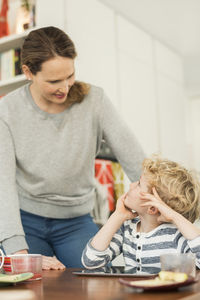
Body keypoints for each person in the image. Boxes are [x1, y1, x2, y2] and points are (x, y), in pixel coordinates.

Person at [0, 26, 144, 269]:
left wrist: (162, 208)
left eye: (70, 76)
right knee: (31, 287)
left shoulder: (94, 100)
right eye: (54, 81)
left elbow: (136, 160)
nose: (65, 87)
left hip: (76, 221)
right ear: (28, 72)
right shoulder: (7, 110)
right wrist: (18, 252)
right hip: (26, 222)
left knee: (95, 281)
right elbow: (2, 182)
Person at [82, 156, 200, 274]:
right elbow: (91, 262)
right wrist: (117, 216)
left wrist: (174, 216)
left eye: (139, 184)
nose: (131, 185)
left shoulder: (175, 235)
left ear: (152, 207)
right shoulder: (127, 228)